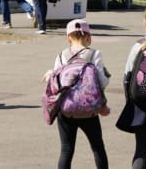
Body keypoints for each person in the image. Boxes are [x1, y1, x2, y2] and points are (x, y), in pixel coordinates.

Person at [43, 19, 110, 169]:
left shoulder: (61, 56)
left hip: (66, 109)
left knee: (66, 150)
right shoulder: (94, 54)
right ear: (89, 37)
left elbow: (56, 84)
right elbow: (102, 82)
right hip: (89, 110)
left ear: (68, 38)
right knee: (97, 147)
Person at [116, 5, 146, 169]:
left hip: (142, 103)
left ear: (145, 22)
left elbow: (127, 76)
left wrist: (129, 101)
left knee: (141, 150)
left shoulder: (139, 46)